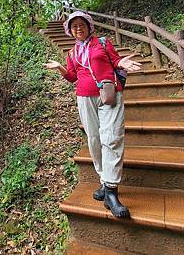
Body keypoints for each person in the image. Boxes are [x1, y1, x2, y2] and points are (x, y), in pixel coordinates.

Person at [43, 11, 141, 218]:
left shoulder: (102, 43)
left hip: (108, 94)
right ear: (70, 31)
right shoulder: (71, 53)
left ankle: (111, 191)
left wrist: (122, 63)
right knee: (94, 139)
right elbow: (71, 77)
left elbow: (115, 61)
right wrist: (60, 66)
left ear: (89, 26)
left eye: (82, 24)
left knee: (112, 137)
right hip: (84, 97)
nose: (78, 28)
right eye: (74, 26)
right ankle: (104, 181)